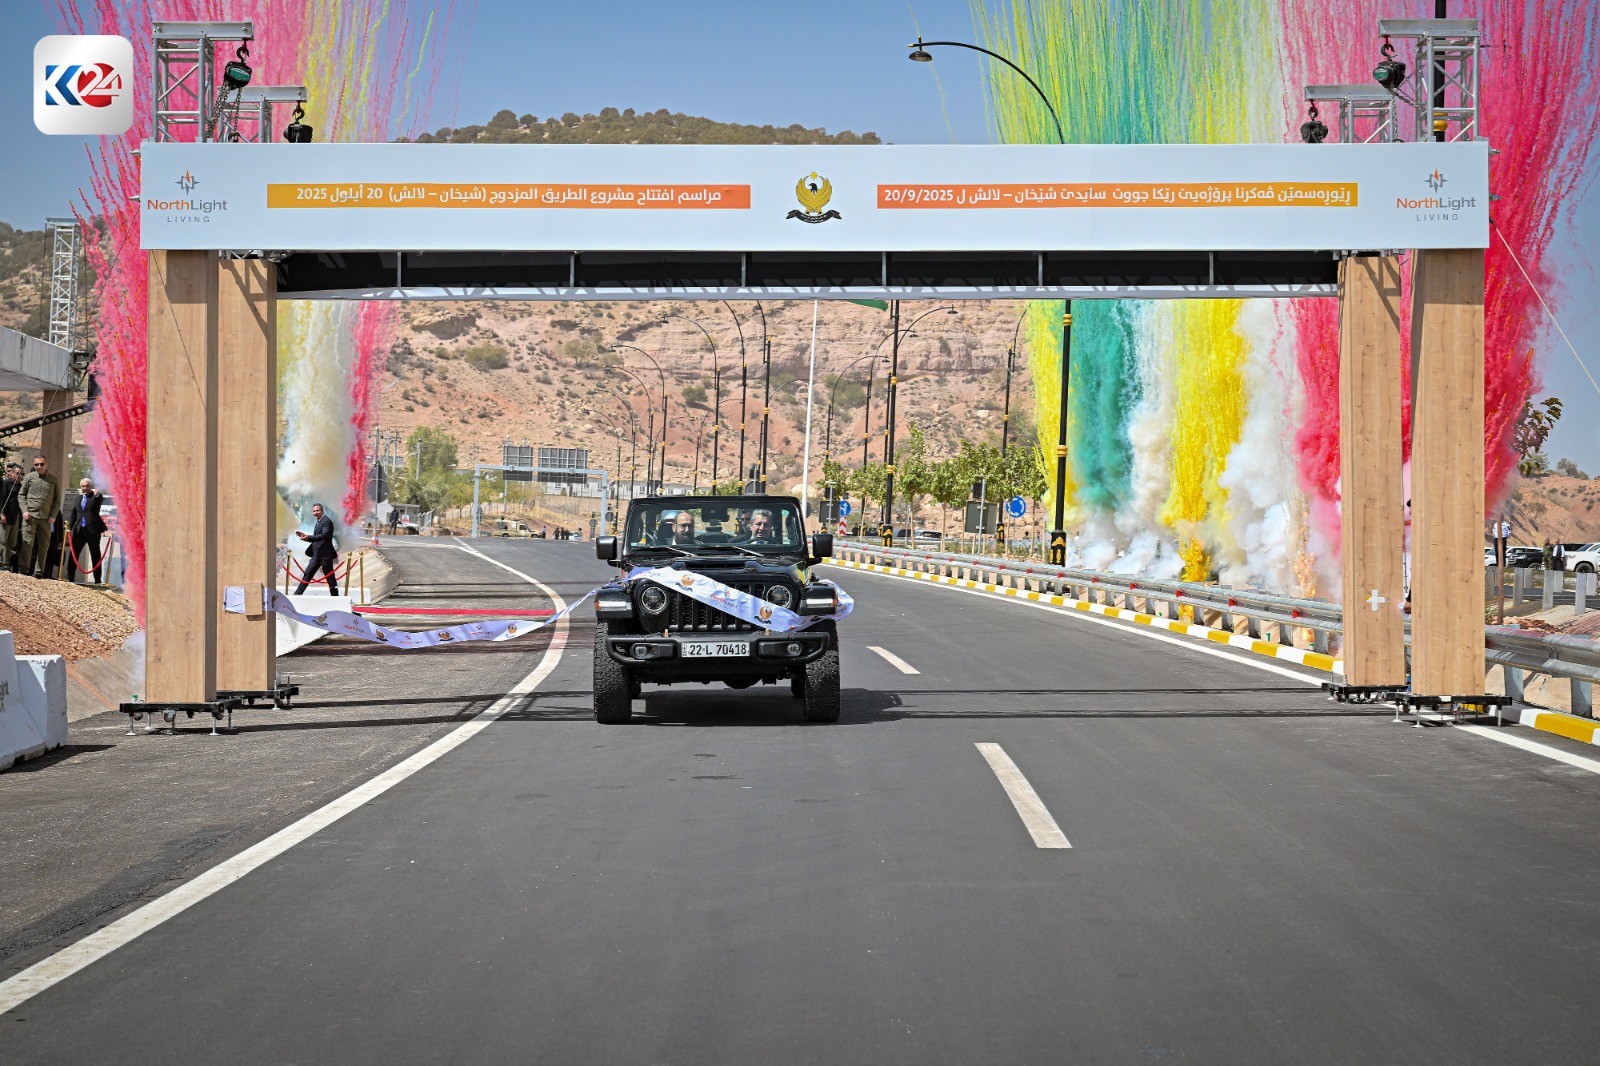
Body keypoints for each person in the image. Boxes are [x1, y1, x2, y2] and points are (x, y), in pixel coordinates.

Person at [19, 454, 61, 579]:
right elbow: (21, 495)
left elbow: (57, 500)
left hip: (46, 518)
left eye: (41, 464)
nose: (39, 466)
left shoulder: (53, 479)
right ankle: (24, 569)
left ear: (46, 465)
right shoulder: (29, 477)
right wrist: (24, 510)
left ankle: (38, 571)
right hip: (30, 516)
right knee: (27, 543)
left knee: (44, 545)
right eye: (36, 464)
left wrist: (53, 515)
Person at [65, 477, 106, 584]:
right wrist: (69, 526)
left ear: (91, 487)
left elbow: (98, 500)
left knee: (95, 554)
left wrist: (96, 495)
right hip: (79, 531)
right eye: (83, 486)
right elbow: (74, 514)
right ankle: (70, 577)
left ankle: (97, 580)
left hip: (92, 531)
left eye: (87, 486)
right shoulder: (77, 499)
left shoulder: (96, 497)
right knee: (74, 554)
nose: (85, 488)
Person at [293, 502, 340, 595]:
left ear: (322, 511)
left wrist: (309, 537)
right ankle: (297, 595)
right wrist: (305, 537)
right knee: (307, 575)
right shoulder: (319, 522)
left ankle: (336, 597)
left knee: (330, 579)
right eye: (314, 511)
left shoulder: (327, 521)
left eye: (317, 511)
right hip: (316, 556)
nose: (315, 513)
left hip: (325, 556)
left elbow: (324, 536)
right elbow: (317, 538)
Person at [0, 463, 22, 571]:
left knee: (12, 542)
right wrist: (1, 514)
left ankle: (7, 563)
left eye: (21, 474)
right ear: (12, 473)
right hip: (5, 516)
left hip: (15, 517)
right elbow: (2, 499)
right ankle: (2, 563)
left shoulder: (20, 486)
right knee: (3, 541)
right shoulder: (5, 483)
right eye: (18, 473)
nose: (20, 476)